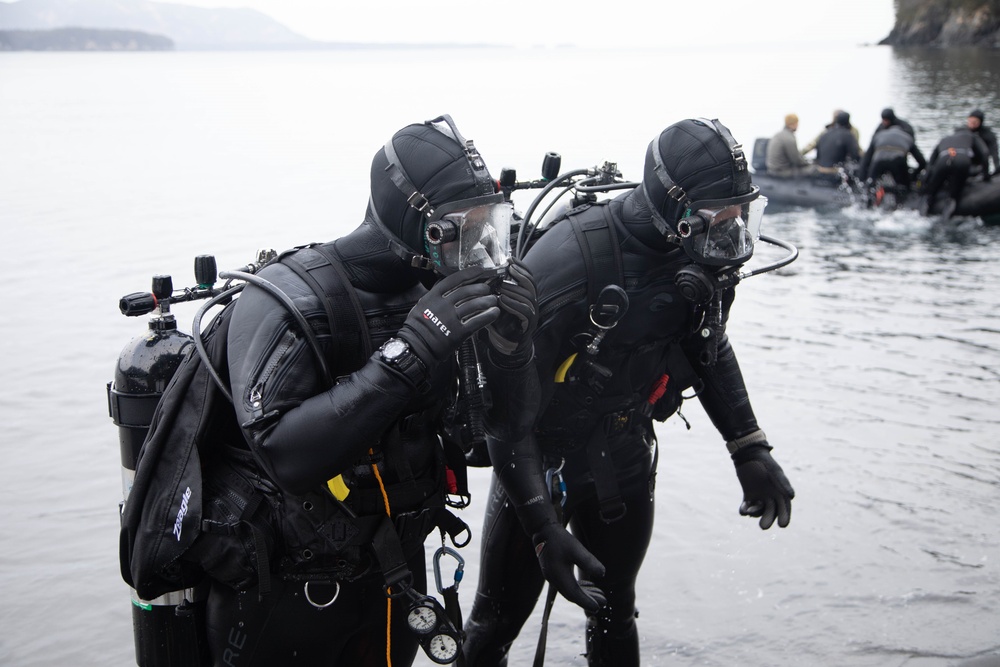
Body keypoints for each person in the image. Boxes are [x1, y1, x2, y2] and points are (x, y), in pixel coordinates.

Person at [202, 114, 598, 666]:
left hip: (396, 574)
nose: (483, 248)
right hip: (286, 589)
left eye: (493, 224)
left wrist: (513, 351)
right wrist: (409, 352)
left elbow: (499, 431)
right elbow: (284, 457)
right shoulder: (290, 300)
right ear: (421, 224)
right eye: (466, 227)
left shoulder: (443, 294)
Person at [463, 118, 796, 667]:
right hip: (538, 464)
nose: (732, 237)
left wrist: (749, 446)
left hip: (624, 456)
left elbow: (709, 345)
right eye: (719, 220)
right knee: (493, 625)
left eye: (743, 218)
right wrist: (542, 528)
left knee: (616, 613)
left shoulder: (704, 257)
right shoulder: (569, 263)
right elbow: (504, 417)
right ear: (676, 209)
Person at [921, 123, 991, 217]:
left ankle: (924, 209)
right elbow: (985, 153)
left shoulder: (944, 139)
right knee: (954, 194)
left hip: (943, 159)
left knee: (930, 193)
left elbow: (930, 165)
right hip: (962, 160)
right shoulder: (971, 135)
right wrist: (986, 175)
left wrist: (925, 181)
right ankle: (949, 207)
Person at [858, 121, 927, 189]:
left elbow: (865, 160)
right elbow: (922, 162)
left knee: (870, 186)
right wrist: (912, 177)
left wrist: (862, 180)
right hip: (897, 161)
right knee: (903, 187)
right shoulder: (908, 138)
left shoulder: (878, 135)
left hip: (877, 162)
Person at [765, 113, 813, 177]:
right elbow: (796, 160)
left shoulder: (778, 135)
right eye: (797, 123)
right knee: (813, 169)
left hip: (772, 169)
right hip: (781, 172)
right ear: (793, 124)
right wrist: (808, 164)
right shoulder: (789, 138)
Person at [967, 109, 999, 176]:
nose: (971, 125)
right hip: (966, 160)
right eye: (970, 121)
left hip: (980, 162)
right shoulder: (964, 132)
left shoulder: (988, 134)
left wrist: (997, 167)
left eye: (975, 122)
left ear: (980, 122)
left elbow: (994, 152)